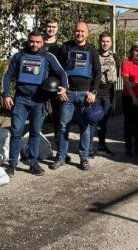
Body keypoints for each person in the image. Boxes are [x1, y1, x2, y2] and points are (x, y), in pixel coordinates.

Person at [2, 30, 67, 177]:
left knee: (35, 132)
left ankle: (32, 162)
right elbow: (7, 75)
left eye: (38, 42)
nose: (34, 44)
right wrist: (6, 95)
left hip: (39, 101)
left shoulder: (48, 57)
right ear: (27, 41)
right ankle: (12, 164)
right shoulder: (19, 56)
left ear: (42, 42)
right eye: (32, 41)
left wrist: (64, 88)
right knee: (16, 132)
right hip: (20, 100)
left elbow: (62, 73)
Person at [51, 21, 101, 171]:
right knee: (63, 126)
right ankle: (61, 157)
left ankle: (84, 158)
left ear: (87, 34)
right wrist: (61, 89)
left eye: (82, 31)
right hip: (68, 94)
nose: (79, 34)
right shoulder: (66, 47)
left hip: (85, 95)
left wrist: (93, 92)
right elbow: (58, 70)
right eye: (77, 31)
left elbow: (98, 73)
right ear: (74, 32)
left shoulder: (92, 50)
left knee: (84, 127)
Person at [92, 32, 120, 156]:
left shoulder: (115, 56)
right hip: (96, 92)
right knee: (93, 119)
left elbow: (117, 73)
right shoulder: (94, 55)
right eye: (103, 41)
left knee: (104, 121)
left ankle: (102, 145)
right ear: (99, 42)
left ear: (111, 42)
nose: (105, 44)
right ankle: (88, 148)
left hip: (109, 93)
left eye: (108, 41)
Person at [43, 17, 66, 161]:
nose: (51, 29)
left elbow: (65, 69)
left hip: (57, 88)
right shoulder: (38, 43)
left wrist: (64, 87)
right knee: (38, 117)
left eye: (53, 26)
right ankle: (36, 149)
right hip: (41, 87)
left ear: (57, 28)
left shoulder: (61, 46)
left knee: (59, 119)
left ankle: (60, 151)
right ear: (45, 27)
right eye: (49, 26)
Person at [121, 41, 138, 156]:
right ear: (132, 51)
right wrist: (134, 97)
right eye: (136, 50)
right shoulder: (127, 63)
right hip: (129, 97)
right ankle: (128, 147)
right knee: (128, 123)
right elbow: (126, 83)